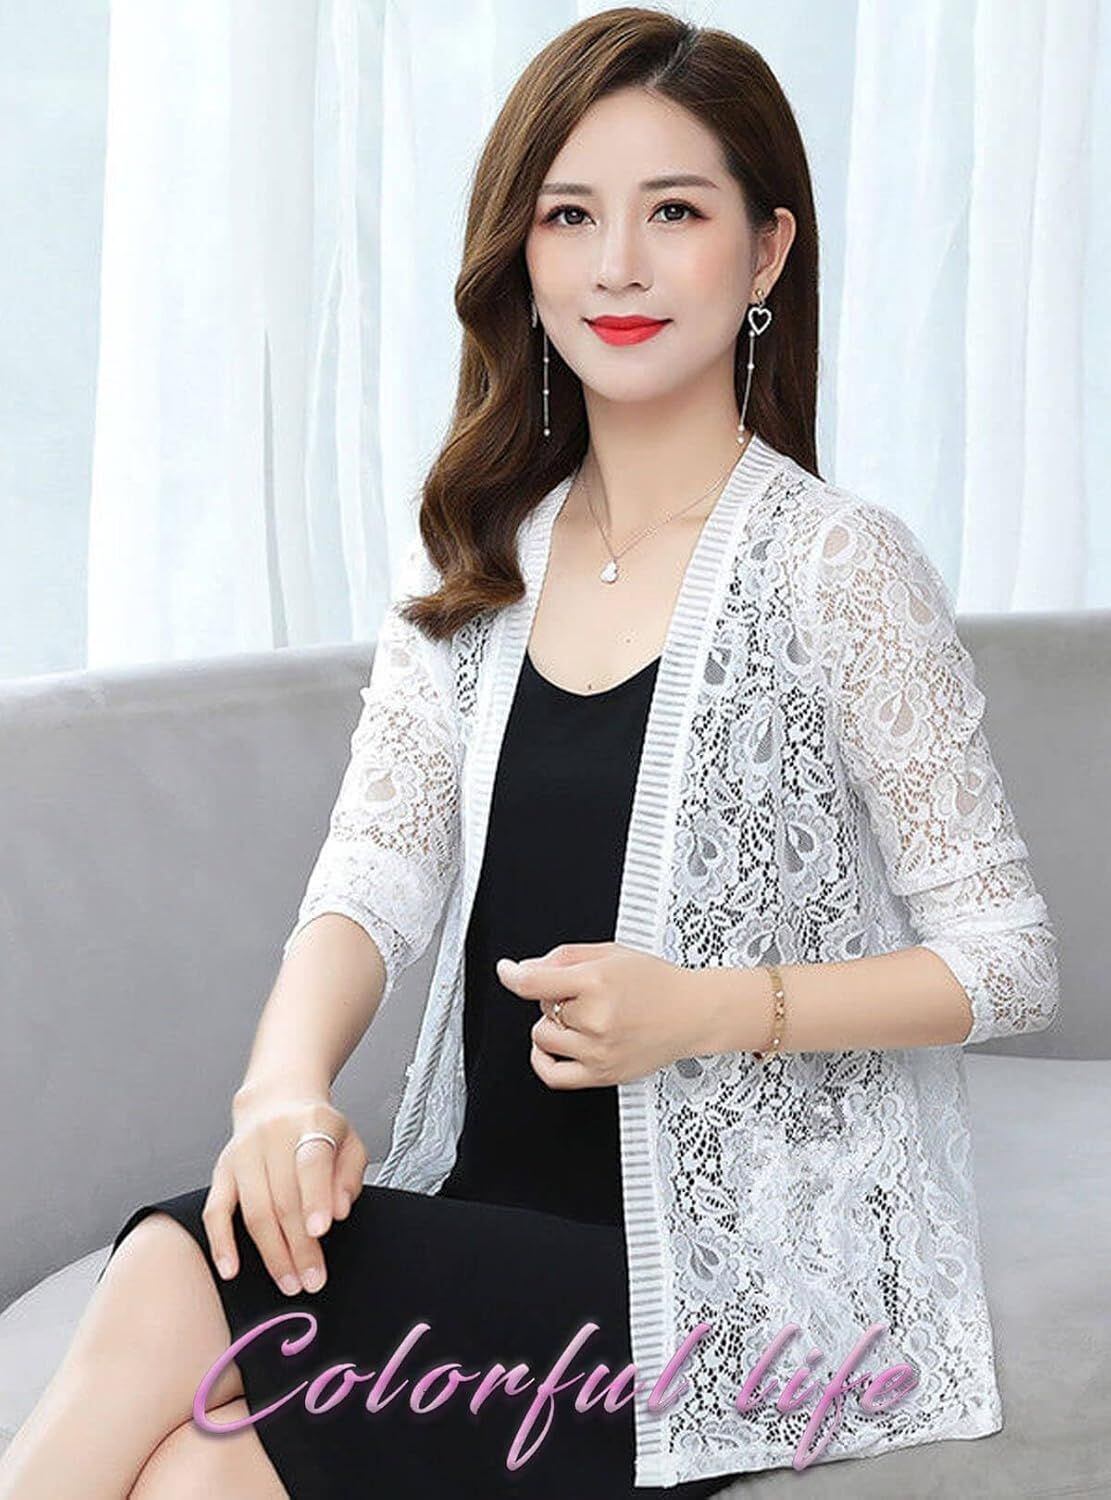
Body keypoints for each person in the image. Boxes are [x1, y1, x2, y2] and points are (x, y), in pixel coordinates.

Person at [0, 8, 1059, 1497]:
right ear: (524, 254)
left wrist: (705, 1010)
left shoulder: (838, 568)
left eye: (673, 212)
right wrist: (281, 1091)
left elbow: (1008, 960)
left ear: (766, 253)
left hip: (729, 1299)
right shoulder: (477, 566)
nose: (617, 265)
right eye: (570, 216)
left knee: (178, 1278)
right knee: (193, 1468)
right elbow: (372, 878)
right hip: (490, 1214)